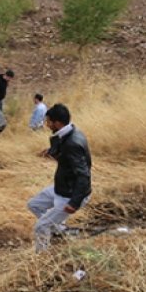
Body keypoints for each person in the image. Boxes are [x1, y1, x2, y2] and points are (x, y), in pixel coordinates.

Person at [27, 104, 92, 252]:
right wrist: (51, 152)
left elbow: (84, 175)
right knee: (34, 205)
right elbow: (64, 153)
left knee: (41, 226)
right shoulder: (69, 133)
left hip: (70, 194)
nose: (47, 125)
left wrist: (74, 203)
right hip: (61, 187)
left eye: (49, 121)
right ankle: (60, 229)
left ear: (57, 123)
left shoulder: (72, 143)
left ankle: (41, 259)